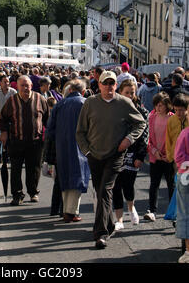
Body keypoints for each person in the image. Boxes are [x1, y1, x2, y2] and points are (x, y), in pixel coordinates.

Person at [76, 71, 146, 249]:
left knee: (105, 190)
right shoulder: (90, 103)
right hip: (95, 155)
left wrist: (128, 140)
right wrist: (87, 151)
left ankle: (100, 233)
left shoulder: (124, 103)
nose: (108, 86)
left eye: (112, 83)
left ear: (116, 85)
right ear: (98, 85)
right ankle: (109, 224)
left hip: (115, 155)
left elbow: (140, 123)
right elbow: (80, 131)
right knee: (101, 191)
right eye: (105, 83)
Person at [0, 75, 49, 206]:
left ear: (32, 86)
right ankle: (17, 194)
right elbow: (2, 118)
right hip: (16, 140)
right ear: (18, 87)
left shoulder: (40, 99)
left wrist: (47, 135)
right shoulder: (12, 101)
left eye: (28, 85)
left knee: (34, 169)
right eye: (22, 85)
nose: (25, 88)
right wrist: (4, 132)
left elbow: (47, 118)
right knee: (15, 169)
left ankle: (33, 192)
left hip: (35, 141)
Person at [46, 79, 90, 223]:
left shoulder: (60, 104)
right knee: (78, 178)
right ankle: (71, 212)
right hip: (80, 146)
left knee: (64, 177)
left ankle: (66, 210)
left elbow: (50, 129)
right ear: (82, 91)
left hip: (61, 145)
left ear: (70, 90)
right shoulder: (85, 103)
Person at [113, 79, 149, 231]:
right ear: (120, 92)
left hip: (133, 152)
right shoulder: (113, 108)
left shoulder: (141, 111)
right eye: (126, 92)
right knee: (115, 186)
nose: (129, 95)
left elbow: (145, 135)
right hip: (115, 151)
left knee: (128, 184)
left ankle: (131, 206)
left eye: (132, 92)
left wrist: (140, 156)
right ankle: (119, 219)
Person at [144, 92, 175, 222]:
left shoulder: (172, 118)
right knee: (154, 184)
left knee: (171, 184)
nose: (158, 107)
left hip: (169, 156)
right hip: (155, 156)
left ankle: (173, 211)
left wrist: (169, 154)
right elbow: (148, 138)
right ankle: (152, 210)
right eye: (156, 105)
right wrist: (154, 151)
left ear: (167, 105)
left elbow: (175, 138)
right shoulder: (151, 117)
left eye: (161, 105)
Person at [174, 122, 189, 263]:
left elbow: (178, 157)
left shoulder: (185, 133)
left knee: (185, 213)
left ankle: (188, 252)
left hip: (185, 175)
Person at [165, 94, 189, 168]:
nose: (178, 113)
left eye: (181, 110)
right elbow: (168, 139)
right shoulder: (171, 120)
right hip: (176, 158)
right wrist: (169, 156)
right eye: (176, 110)